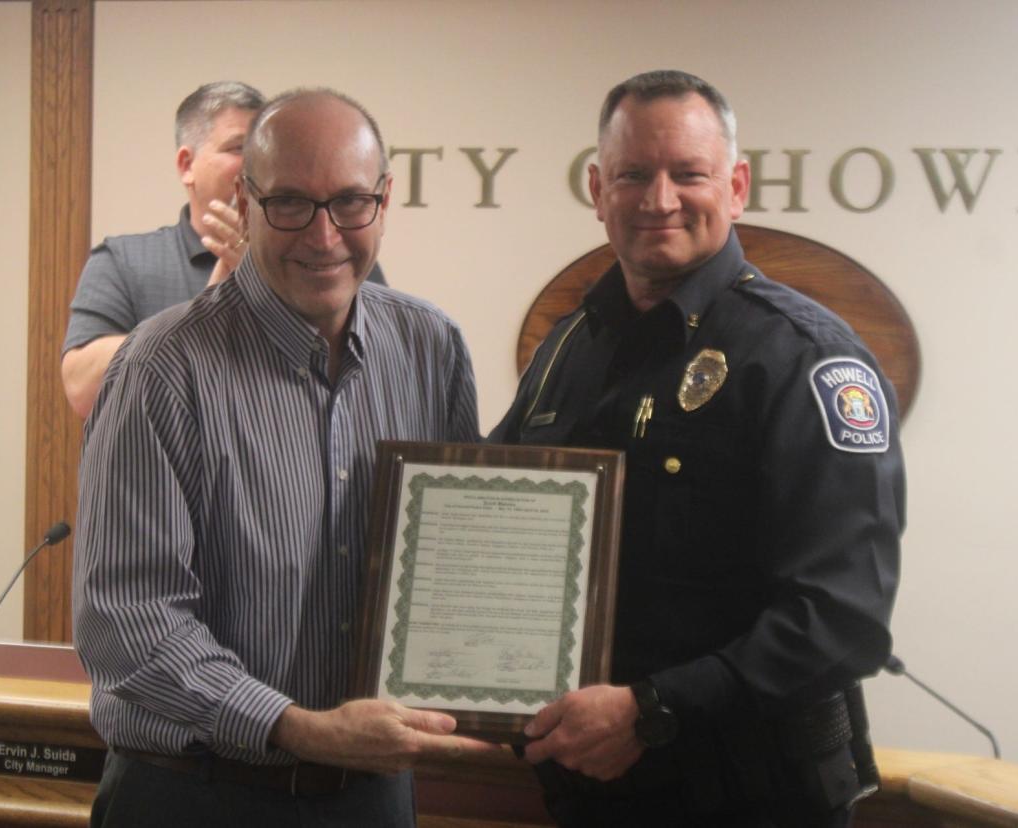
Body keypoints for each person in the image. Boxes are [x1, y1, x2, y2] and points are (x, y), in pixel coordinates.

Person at [490, 70, 905, 827]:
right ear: (597, 188)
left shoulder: (803, 359)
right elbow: (496, 522)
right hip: (592, 796)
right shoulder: (569, 349)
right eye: (633, 175)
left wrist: (651, 711)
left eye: (689, 173)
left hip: (753, 799)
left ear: (738, 185)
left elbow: (843, 621)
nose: (659, 200)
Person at [72, 88, 489, 828]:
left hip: (371, 800)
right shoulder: (161, 369)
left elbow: (454, 566)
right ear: (246, 198)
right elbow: (127, 624)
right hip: (195, 797)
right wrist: (297, 726)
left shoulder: (432, 349)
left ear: (385, 200)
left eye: (351, 203)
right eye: (291, 202)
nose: (324, 236)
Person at [60, 80, 387, 417]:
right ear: (187, 165)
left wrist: (276, 283)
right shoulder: (125, 261)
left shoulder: (331, 254)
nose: (255, 163)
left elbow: (380, 374)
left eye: (267, 151)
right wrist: (213, 304)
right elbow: (82, 390)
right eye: (238, 148)